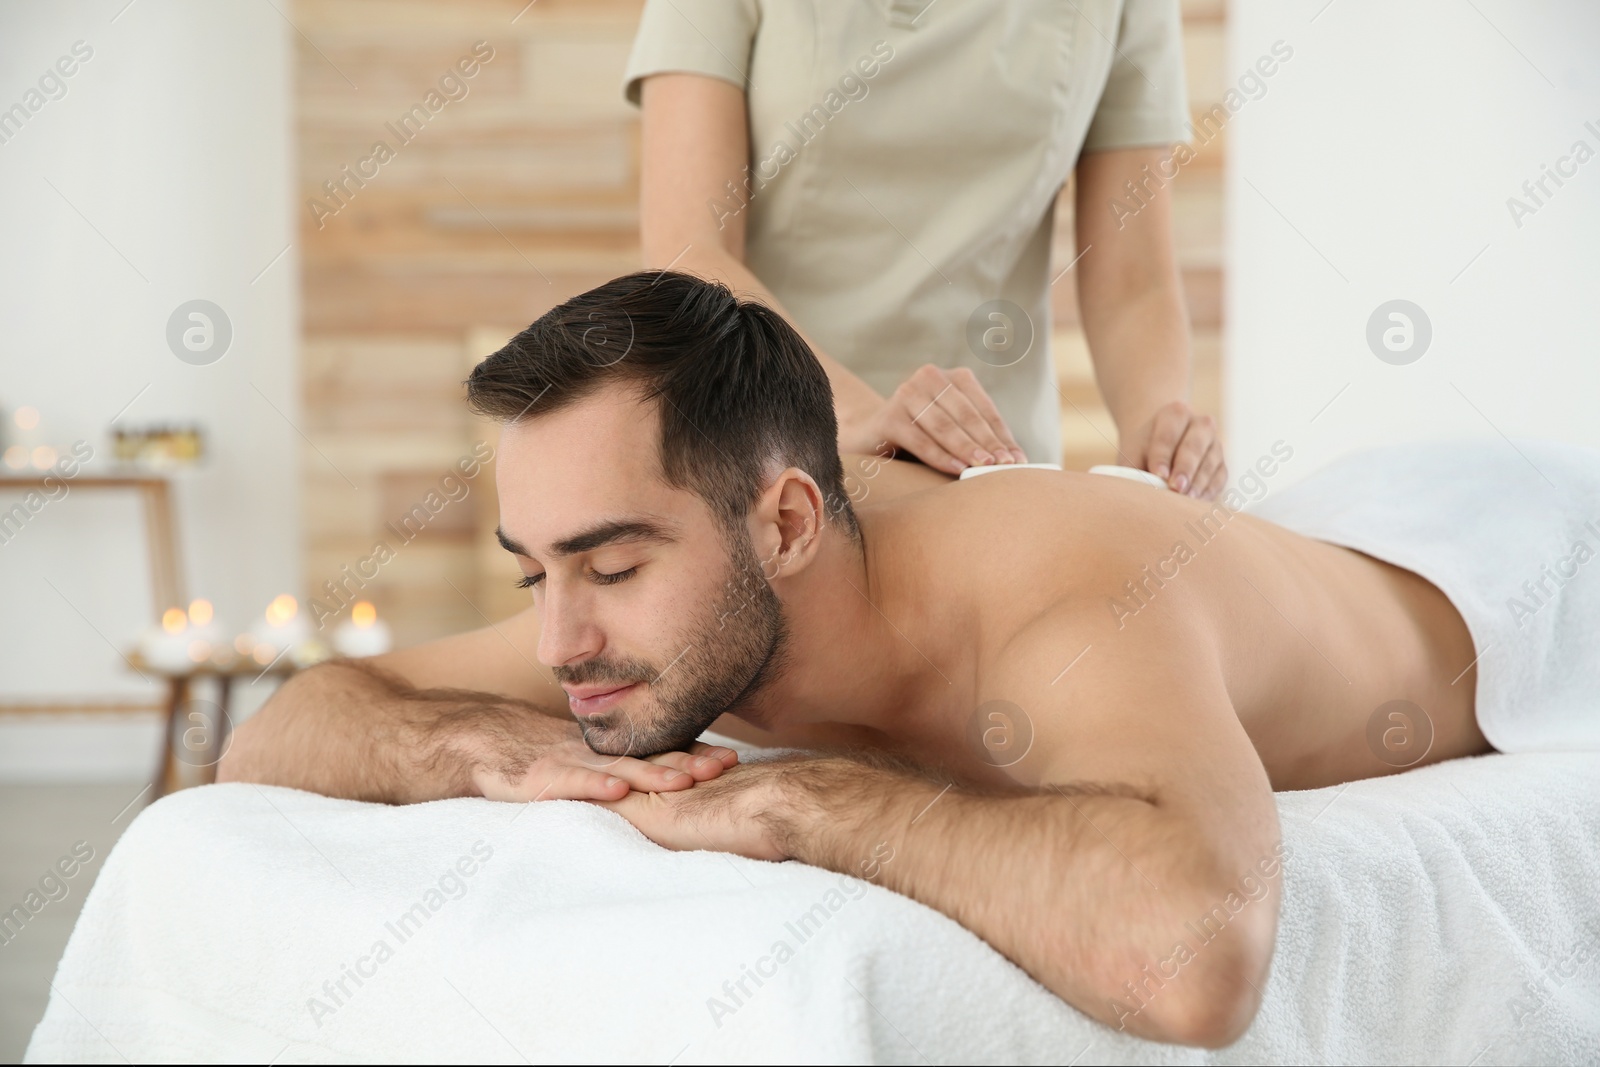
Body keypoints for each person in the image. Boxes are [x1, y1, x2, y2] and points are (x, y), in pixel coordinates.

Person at [224, 273, 1556, 1046]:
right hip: (1302, 537)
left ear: (790, 520)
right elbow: (281, 729)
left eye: (611, 567)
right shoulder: (672, 596)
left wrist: (802, 804)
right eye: (534, 570)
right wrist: (474, 743)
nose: (561, 642)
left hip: (1523, 563)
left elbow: (1200, 955)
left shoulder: (1064, 612)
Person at [628, 0, 1229, 496]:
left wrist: (1159, 426)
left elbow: (1134, 281)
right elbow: (687, 252)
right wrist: (853, 417)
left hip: (990, 474)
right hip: (763, 447)